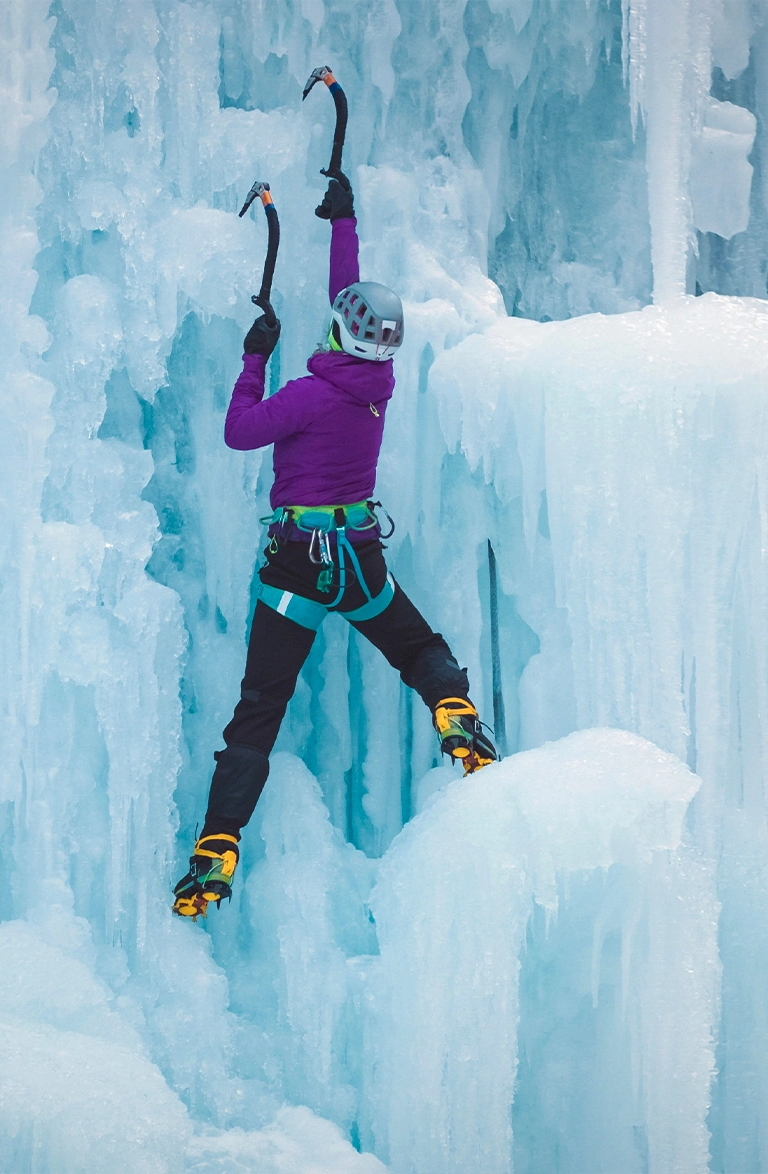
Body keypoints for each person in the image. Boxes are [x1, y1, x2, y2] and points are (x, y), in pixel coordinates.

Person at [173, 170, 497, 920]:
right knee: (417, 648)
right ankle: (454, 712)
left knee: (259, 708)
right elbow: (347, 295)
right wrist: (342, 221)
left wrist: (254, 359)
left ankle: (217, 847)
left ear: (337, 332)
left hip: (295, 569)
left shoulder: (309, 394)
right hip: (358, 562)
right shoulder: (375, 387)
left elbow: (238, 431)